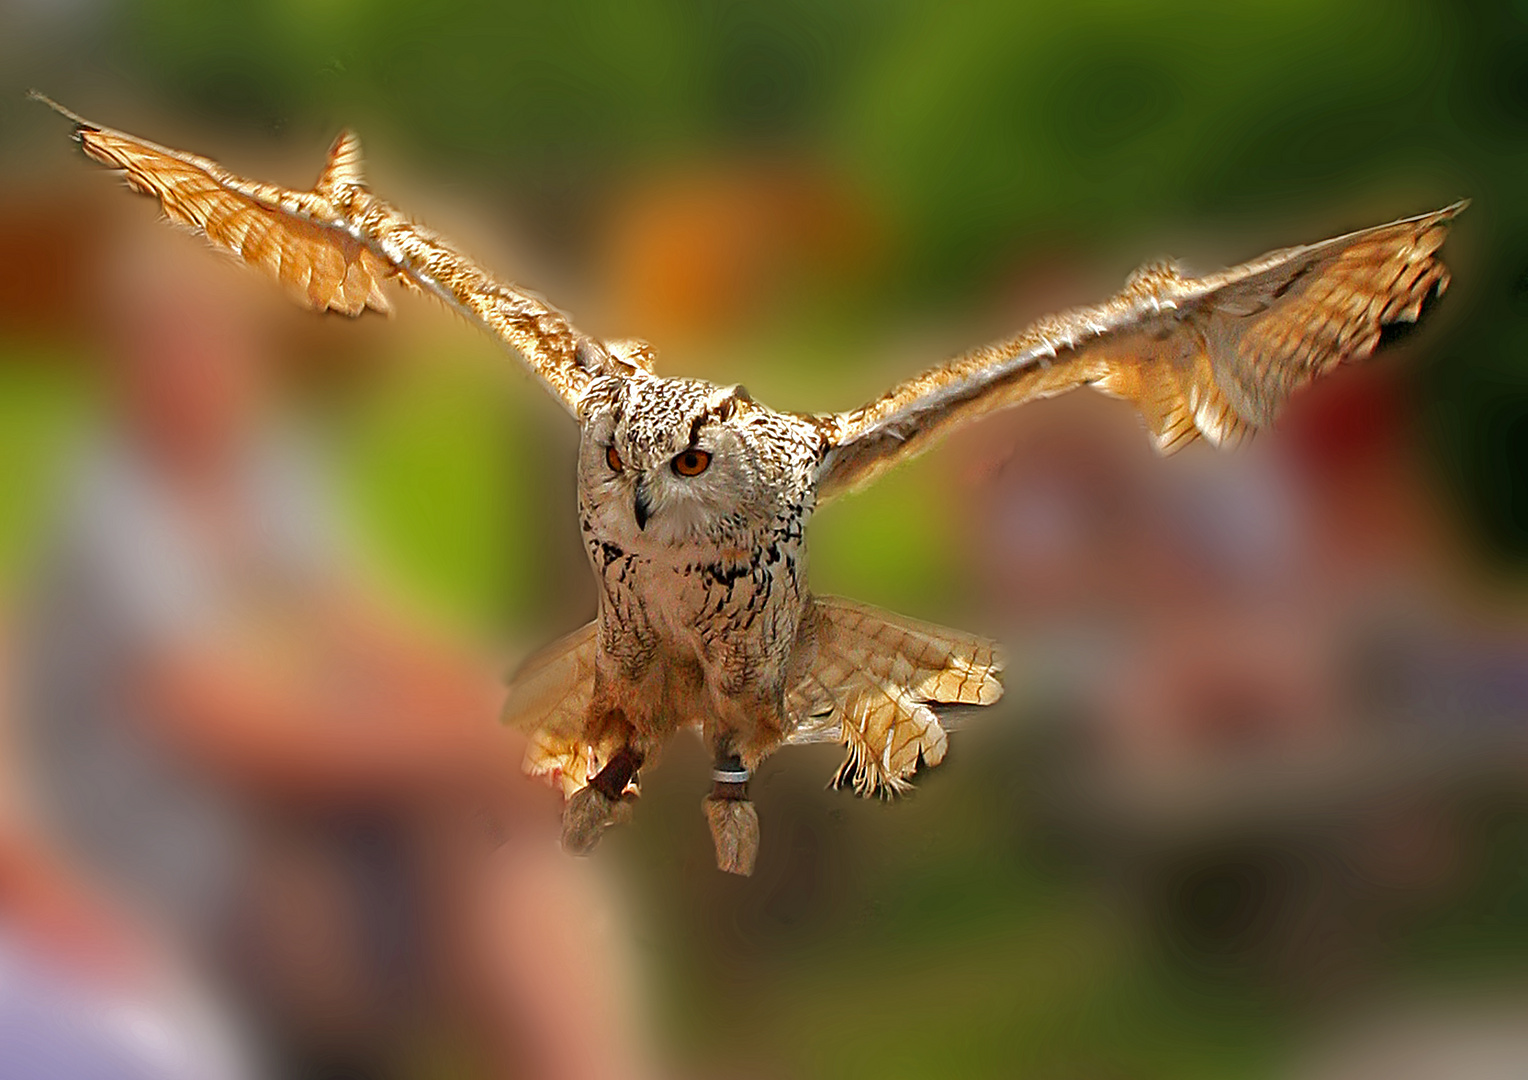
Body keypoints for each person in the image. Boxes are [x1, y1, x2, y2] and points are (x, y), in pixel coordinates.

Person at [19, 222, 654, 1079]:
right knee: (474, 846)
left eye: (219, 341)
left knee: (511, 864)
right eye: (173, 343)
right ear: (130, 363)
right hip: (180, 863)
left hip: (301, 826)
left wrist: (507, 721)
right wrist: (464, 752)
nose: (202, 368)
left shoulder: (262, 472)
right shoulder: (114, 522)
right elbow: (236, 736)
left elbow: (367, 626)